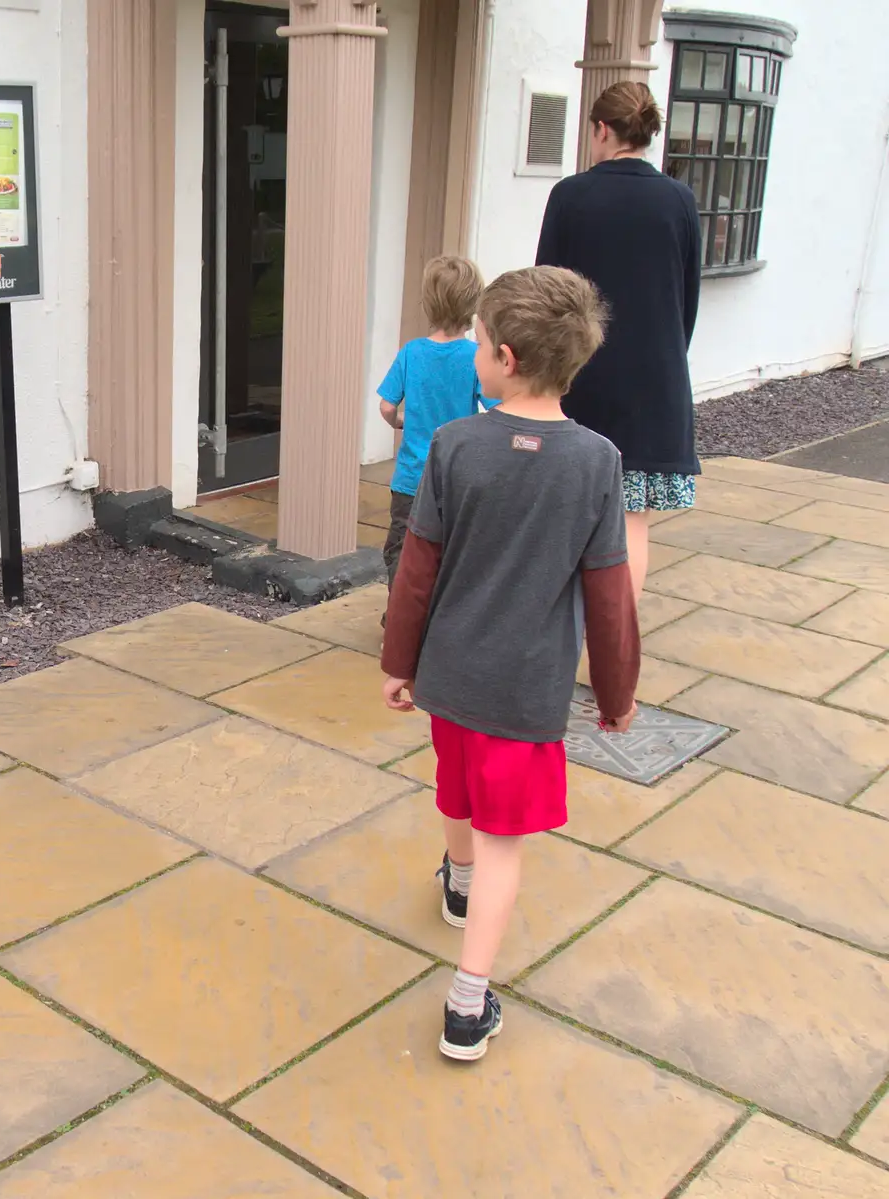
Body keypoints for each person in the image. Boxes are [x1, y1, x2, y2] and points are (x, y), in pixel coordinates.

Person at [380, 266, 640, 1063]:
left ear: (503, 355)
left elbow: (416, 567)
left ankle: (456, 883)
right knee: (503, 836)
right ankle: (468, 1001)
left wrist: (399, 659)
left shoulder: (455, 445)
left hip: (449, 679)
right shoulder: (595, 461)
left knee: (456, 788)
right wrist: (618, 689)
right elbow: (609, 592)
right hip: (524, 693)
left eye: (482, 348)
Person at [535, 80, 702, 602]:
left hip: (578, 377)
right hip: (655, 381)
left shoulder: (571, 195)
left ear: (602, 129)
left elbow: (546, 292)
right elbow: (687, 300)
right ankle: (613, 654)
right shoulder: (679, 200)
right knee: (631, 524)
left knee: (565, 517)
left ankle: (557, 639)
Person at [376, 255, 488, 597]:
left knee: (403, 551)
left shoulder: (411, 352)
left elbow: (386, 405)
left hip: (411, 480)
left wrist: (398, 422)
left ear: (428, 304)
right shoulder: (475, 356)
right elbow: (500, 407)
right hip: (457, 478)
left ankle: (400, 623)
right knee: (451, 552)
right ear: (473, 307)